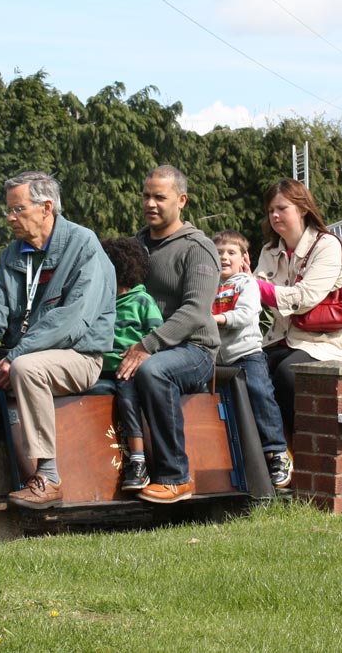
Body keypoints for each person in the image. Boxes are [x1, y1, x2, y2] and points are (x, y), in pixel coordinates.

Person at [0, 170, 116, 509]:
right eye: (8, 211)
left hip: (79, 355)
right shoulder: (13, 254)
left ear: (46, 208)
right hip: (24, 353)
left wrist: (17, 355)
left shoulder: (84, 245)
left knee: (27, 368)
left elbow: (72, 320)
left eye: (18, 209)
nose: (10, 218)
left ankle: (49, 477)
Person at [117, 165, 220, 504]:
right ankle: (131, 466)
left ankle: (176, 477)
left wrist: (148, 345)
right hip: (146, 346)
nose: (151, 203)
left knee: (152, 370)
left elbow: (195, 312)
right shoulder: (135, 245)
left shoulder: (198, 248)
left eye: (160, 197)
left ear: (182, 201)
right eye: (146, 196)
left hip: (194, 351)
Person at [254, 179, 342, 444]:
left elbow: (304, 298)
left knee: (289, 373)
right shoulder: (269, 250)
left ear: (302, 209)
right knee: (249, 371)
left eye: (282, 208)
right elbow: (253, 295)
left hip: (325, 344)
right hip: (279, 340)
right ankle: (271, 452)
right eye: (270, 210)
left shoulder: (327, 245)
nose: (275, 215)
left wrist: (253, 285)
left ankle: (303, 447)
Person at [211, 230, 292, 488]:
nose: (224, 257)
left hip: (246, 355)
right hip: (216, 360)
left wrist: (218, 319)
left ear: (243, 258)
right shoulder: (208, 287)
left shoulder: (247, 284)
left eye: (231, 253)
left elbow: (245, 314)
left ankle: (277, 452)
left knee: (260, 394)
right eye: (219, 252)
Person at [97, 237, 163, 491]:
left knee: (128, 400)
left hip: (128, 371)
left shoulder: (141, 302)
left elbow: (155, 333)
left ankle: (138, 460)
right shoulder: (101, 305)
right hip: (102, 371)